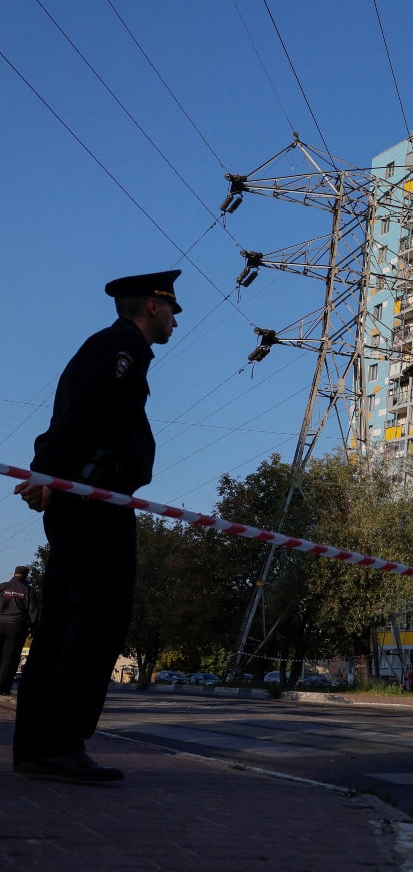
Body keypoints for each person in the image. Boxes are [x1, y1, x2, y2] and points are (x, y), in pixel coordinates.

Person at [12, 270, 181, 783]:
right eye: (171, 309)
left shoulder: (117, 350)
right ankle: (59, 742)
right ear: (151, 307)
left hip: (84, 497)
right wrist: (49, 472)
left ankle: (41, 746)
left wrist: (50, 473)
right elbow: (77, 414)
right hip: (93, 502)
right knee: (97, 618)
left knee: (65, 619)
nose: (175, 319)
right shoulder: (117, 349)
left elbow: (75, 417)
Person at [0, 566, 39, 695]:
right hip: (16, 627)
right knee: (9, 659)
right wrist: (33, 628)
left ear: (14, 573)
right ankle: (3, 689)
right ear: (26, 576)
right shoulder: (28, 590)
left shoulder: (2, 587)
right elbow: (33, 611)